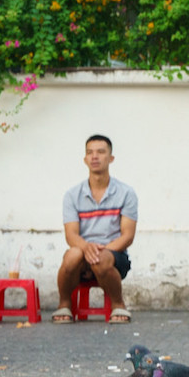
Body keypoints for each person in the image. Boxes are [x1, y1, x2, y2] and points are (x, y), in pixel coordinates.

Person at [54, 134, 138, 324]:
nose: (95, 157)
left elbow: (127, 236)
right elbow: (71, 234)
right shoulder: (72, 195)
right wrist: (86, 248)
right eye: (90, 153)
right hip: (82, 252)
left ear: (111, 158)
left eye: (101, 152)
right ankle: (64, 303)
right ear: (85, 159)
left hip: (114, 255)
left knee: (100, 258)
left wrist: (101, 250)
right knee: (72, 255)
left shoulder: (126, 193)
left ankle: (118, 304)